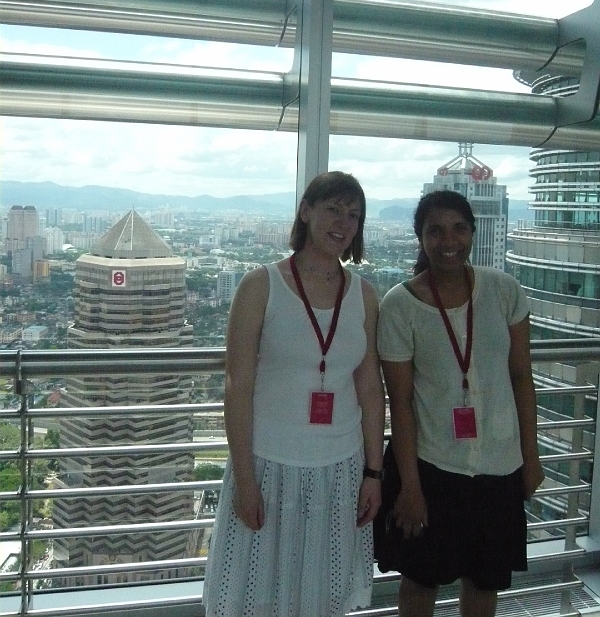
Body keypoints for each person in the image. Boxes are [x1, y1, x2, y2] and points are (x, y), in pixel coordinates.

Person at [203, 171, 385, 617]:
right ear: (305, 211)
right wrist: (245, 480)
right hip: (268, 469)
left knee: (320, 596)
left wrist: (374, 473)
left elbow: (369, 388)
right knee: (252, 594)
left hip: (338, 472)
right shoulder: (259, 286)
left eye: (354, 214)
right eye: (333, 209)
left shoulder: (365, 295)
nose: (343, 222)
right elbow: (237, 387)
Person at [375, 190, 544, 617]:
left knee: (485, 583)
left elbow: (522, 377)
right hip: (432, 466)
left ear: (473, 232)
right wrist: (410, 487)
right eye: (435, 230)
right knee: (419, 583)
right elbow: (402, 403)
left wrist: (531, 456)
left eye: (459, 228)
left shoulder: (504, 291)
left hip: (500, 465)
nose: (448, 240)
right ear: (420, 237)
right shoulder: (400, 305)